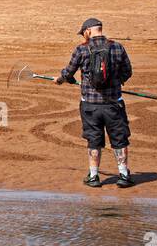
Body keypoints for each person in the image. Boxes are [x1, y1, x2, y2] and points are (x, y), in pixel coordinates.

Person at [55, 17, 134, 187]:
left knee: (94, 140)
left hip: (90, 106)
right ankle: (123, 175)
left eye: (83, 33)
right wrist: (116, 82)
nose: (83, 36)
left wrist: (61, 79)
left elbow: (68, 73)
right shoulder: (117, 47)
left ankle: (93, 176)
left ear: (88, 31)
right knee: (119, 139)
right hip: (114, 104)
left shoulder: (82, 50)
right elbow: (128, 71)